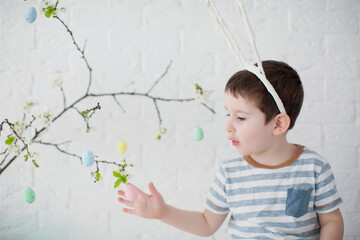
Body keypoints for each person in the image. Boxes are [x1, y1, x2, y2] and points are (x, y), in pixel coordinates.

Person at [117, 60, 344, 239]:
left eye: (241, 117)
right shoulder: (230, 173)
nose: (228, 126)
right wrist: (163, 212)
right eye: (229, 114)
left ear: (278, 124)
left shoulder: (314, 168)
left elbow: (331, 221)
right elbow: (206, 224)